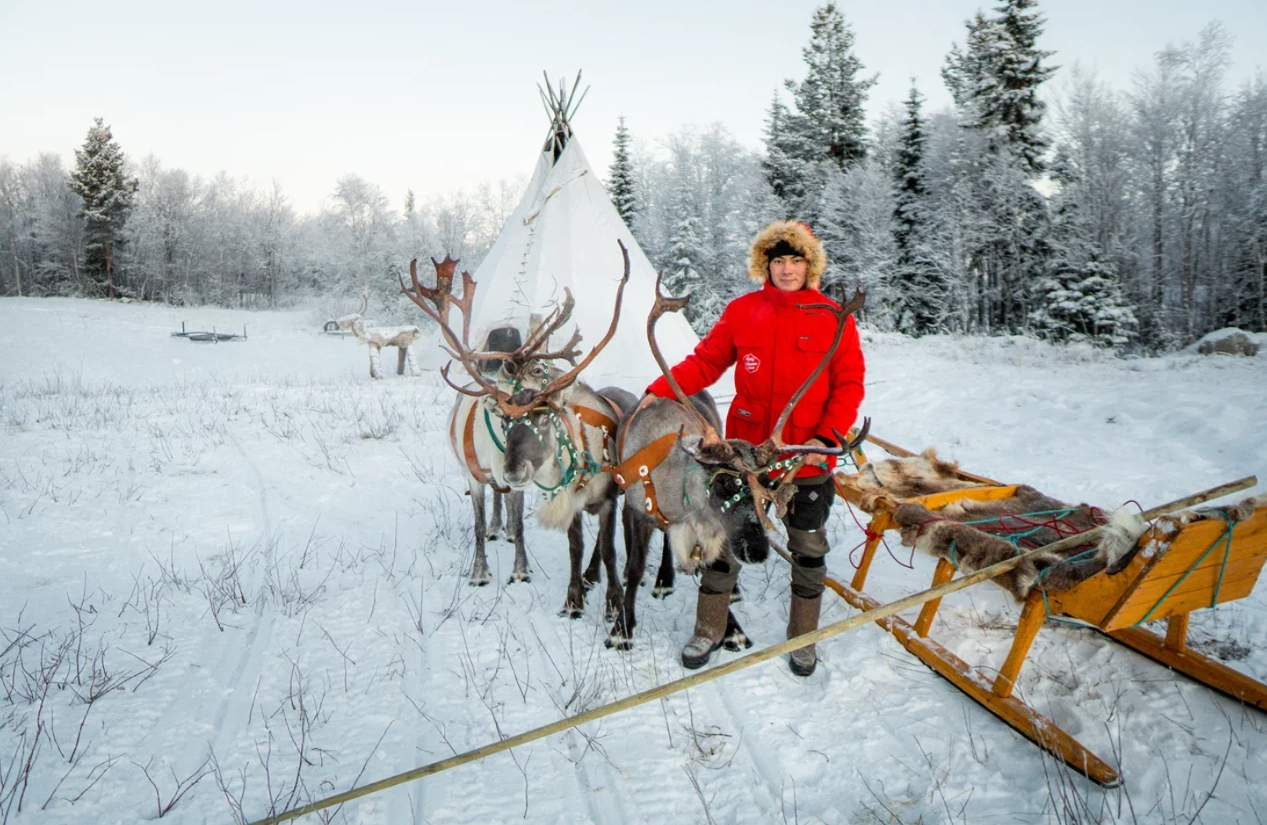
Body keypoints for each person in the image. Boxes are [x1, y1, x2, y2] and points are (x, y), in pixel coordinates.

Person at [641, 220, 865, 676]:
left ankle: (803, 638)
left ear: (809, 264)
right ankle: (709, 629)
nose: (786, 270)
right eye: (777, 260)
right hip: (744, 455)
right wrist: (658, 389)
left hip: (805, 452)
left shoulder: (833, 317)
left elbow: (849, 383)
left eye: (795, 260)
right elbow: (705, 362)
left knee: (807, 544)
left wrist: (826, 439)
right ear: (765, 264)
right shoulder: (743, 311)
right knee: (723, 538)